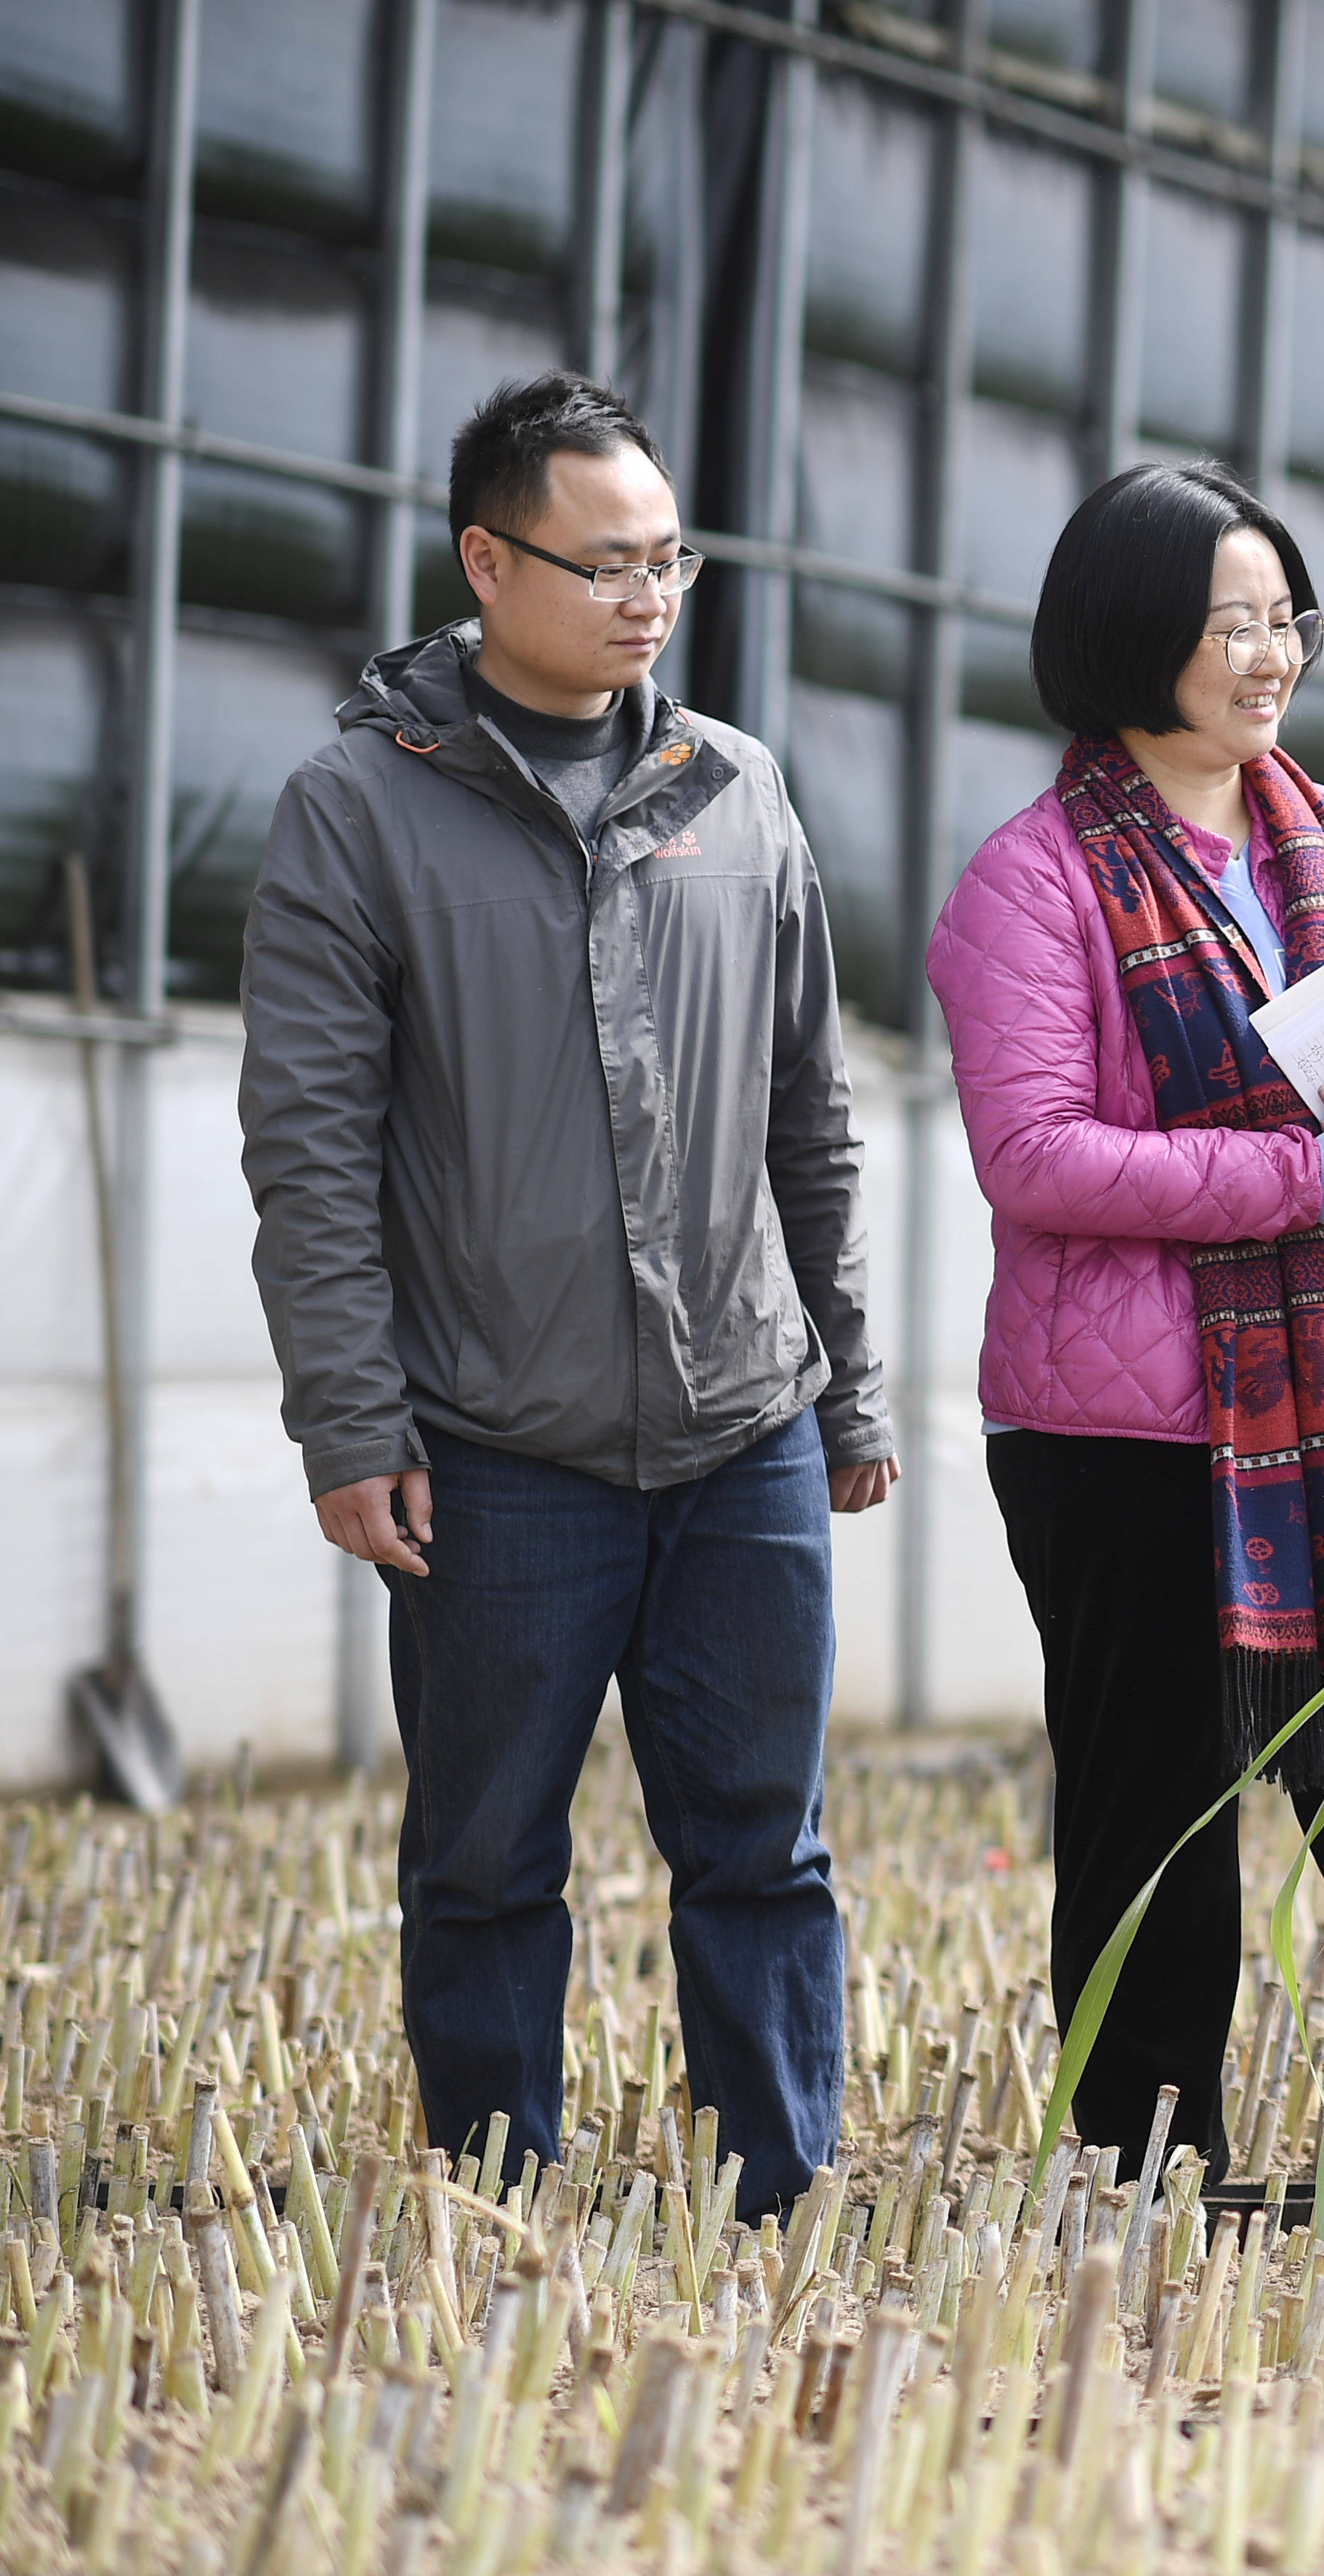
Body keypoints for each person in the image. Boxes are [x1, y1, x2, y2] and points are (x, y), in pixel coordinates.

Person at [241, 370, 890, 2219]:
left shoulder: (739, 792)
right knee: (485, 1860)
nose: (645, 594)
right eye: (603, 560)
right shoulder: (359, 810)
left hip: (739, 1434)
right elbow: (310, 1154)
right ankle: (492, 2201)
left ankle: (783, 2189)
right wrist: (352, 1424)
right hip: (495, 1451)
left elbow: (813, 1125)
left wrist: (845, 1391)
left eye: (670, 558)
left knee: (764, 1848)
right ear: (483, 559)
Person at [929, 460, 1324, 2192]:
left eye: (1286, 616)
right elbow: (1038, 1156)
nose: (1270, 653)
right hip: (1124, 1437)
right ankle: (1145, 2179)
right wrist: (1311, 1179)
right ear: (1133, 636)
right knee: (1152, 1827)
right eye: (1235, 622)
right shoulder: (1032, 879)